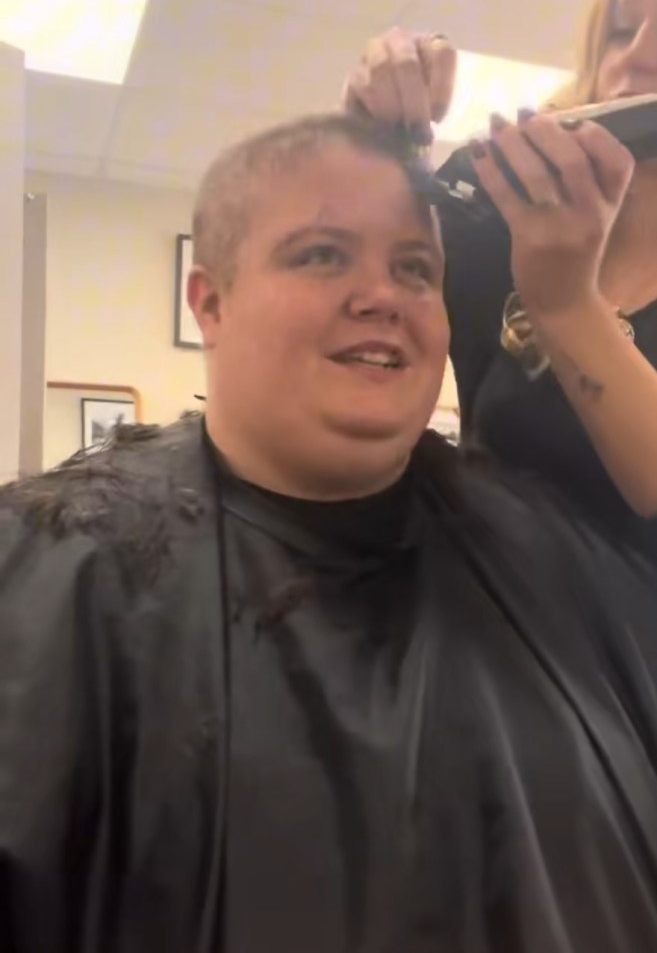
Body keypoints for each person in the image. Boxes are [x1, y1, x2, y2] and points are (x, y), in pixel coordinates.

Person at [2, 113, 657, 953]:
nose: (380, 295)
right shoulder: (53, 573)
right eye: (320, 255)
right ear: (210, 301)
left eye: (415, 268)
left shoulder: (553, 557)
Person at [343, 0, 657, 558]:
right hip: (483, 620)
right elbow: (360, 295)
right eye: (620, 33)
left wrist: (564, 303)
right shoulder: (506, 217)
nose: (635, 61)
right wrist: (378, 138)